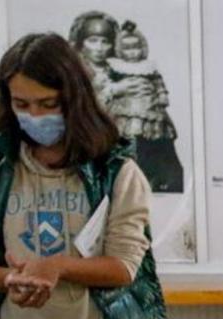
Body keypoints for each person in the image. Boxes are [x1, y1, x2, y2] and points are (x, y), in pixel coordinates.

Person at [0, 33, 185, 319]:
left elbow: (124, 267)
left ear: (74, 99)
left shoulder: (117, 171)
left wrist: (57, 267)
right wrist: (12, 279)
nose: (36, 116)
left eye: (49, 103)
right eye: (22, 104)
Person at [68, 12, 183, 194]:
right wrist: (116, 90)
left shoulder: (122, 66)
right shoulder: (73, 72)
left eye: (105, 41)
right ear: (80, 42)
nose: (100, 47)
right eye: (93, 40)